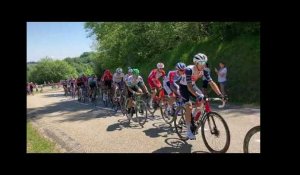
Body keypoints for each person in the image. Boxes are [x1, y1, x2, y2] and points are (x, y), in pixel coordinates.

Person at [179, 53, 225, 140]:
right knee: (188, 105)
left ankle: (192, 117)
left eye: (204, 62)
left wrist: (220, 95)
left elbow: (211, 83)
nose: (203, 65)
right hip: (184, 87)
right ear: (196, 63)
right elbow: (188, 86)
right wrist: (197, 95)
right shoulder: (189, 70)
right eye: (201, 63)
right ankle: (188, 131)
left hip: (192, 85)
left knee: (203, 101)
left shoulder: (205, 70)